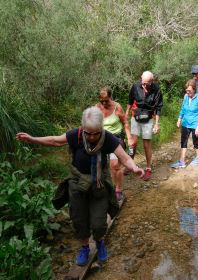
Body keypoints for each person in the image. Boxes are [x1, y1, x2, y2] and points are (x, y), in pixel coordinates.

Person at [16, 107, 144, 266]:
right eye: (88, 133)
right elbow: (55, 141)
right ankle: (84, 247)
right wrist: (33, 139)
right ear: (83, 128)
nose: (91, 137)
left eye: (95, 133)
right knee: (79, 219)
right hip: (77, 184)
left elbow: (124, 158)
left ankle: (99, 242)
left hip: (99, 185)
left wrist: (135, 168)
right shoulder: (76, 135)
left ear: (101, 129)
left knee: (99, 222)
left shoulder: (108, 138)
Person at [96, 87, 133, 202]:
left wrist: (129, 137)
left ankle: (117, 190)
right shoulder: (96, 108)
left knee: (114, 164)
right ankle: (103, 189)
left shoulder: (117, 107)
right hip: (101, 138)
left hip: (116, 138)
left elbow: (125, 122)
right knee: (100, 166)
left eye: (106, 100)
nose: (104, 103)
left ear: (110, 97)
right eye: (102, 101)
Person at [126, 71, 163, 181]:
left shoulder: (157, 90)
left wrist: (156, 124)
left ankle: (148, 168)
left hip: (148, 118)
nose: (143, 85)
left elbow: (158, 108)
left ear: (152, 82)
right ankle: (130, 164)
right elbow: (130, 100)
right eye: (142, 82)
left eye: (146, 83)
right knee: (133, 142)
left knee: (146, 143)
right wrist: (126, 114)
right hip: (135, 116)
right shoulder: (136, 86)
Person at [170, 79, 198, 168]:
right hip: (185, 123)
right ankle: (182, 161)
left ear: (194, 89)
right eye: (186, 90)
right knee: (183, 141)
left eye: (189, 90)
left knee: (195, 141)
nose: (187, 91)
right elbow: (183, 109)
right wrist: (179, 119)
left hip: (195, 124)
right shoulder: (185, 97)